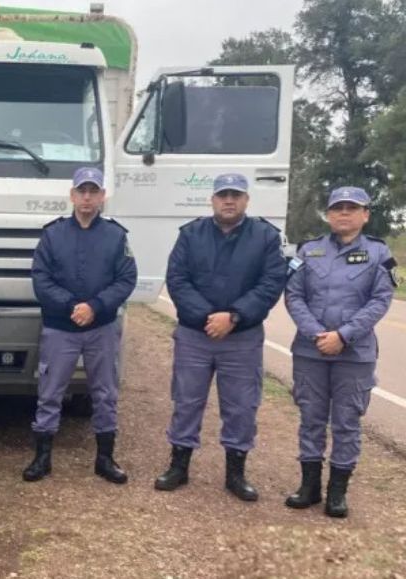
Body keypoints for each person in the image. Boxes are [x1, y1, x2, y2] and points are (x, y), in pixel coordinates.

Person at [155, 173, 286, 501]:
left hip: (241, 337)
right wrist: (207, 318)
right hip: (195, 335)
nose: (229, 200)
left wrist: (234, 316)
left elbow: (271, 283)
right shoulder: (190, 234)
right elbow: (177, 279)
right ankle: (179, 466)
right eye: (223, 195)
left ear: (246, 200)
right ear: (212, 199)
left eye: (236, 195)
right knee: (186, 401)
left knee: (241, 405)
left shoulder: (266, 237)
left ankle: (236, 473)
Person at [284, 186, 396, 518]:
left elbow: (380, 301)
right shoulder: (308, 251)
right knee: (311, 420)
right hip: (310, 351)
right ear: (329, 214)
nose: (344, 213)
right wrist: (318, 334)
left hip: (354, 354)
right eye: (337, 208)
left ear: (365, 215)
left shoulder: (379, 253)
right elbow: (293, 295)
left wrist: (343, 336)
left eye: (352, 208)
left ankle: (337, 493)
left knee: (347, 423)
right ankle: (309, 488)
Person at [22, 167, 137, 484]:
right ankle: (42, 458)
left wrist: (95, 306)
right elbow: (40, 280)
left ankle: (105, 458)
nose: (87, 198)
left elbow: (127, 279)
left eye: (93, 192)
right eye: (82, 191)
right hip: (61, 327)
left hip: (101, 327)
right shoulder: (53, 234)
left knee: (105, 393)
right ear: (72, 196)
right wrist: (72, 306)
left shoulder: (116, 236)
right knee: (50, 392)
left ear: (102, 197)